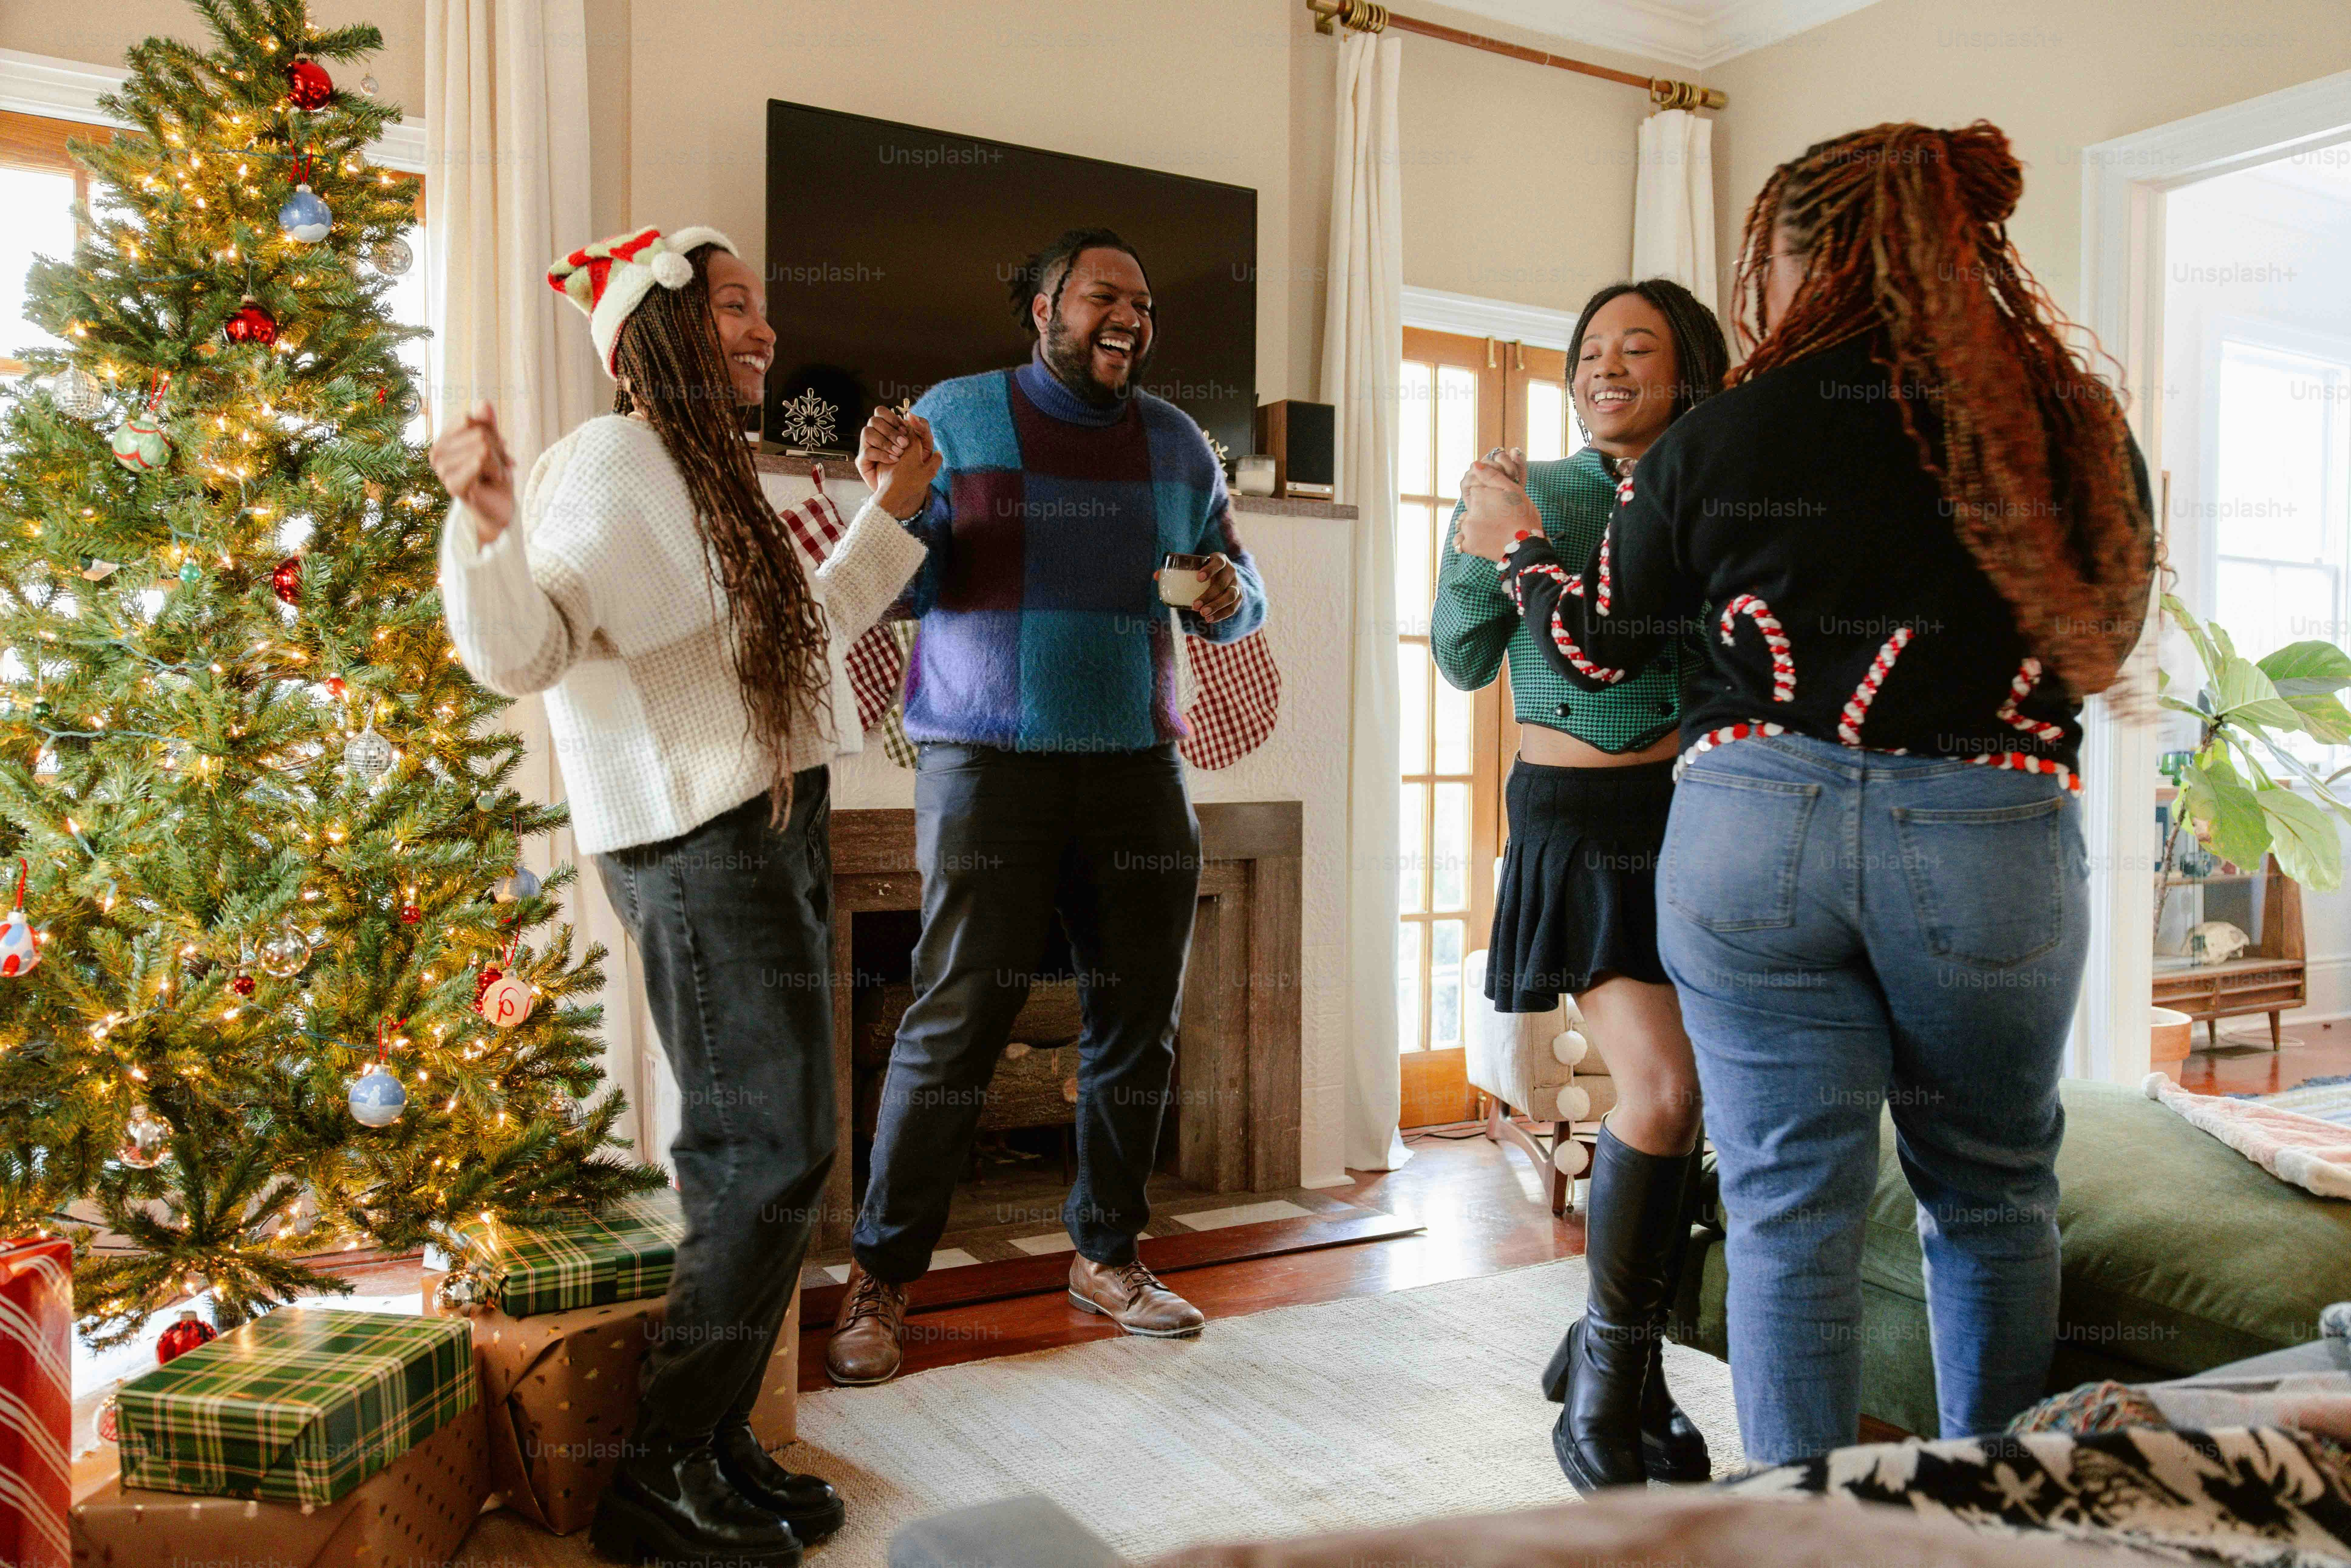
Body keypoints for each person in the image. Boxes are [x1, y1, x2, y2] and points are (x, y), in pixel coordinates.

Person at [1456, 121, 2154, 1467]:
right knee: (1996, 1195)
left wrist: (1522, 549)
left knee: (1788, 1208)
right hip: (1986, 826)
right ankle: (1987, 1523)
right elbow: (2102, 639)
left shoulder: (1728, 430)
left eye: (1761, 259)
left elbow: (1599, 642)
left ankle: (1793, 1537)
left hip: (1749, 833)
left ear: (1802, 257)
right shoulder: (2061, 418)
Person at [432, 224, 933, 1565]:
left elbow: (799, 632)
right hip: (696, 840)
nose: (760, 330)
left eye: (760, 308)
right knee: (759, 1151)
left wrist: (887, 511)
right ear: (653, 331)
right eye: (728, 307)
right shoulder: (605, 465)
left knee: (793, 1143)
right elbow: (525, 646)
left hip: (765, 820)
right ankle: (657, 1466)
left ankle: (711, 1438)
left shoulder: (713, 474)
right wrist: (484, 526)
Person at [824, 226, 1267, 1387]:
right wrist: (891, 499)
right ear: (1043, 308)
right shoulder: (958, 414)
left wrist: (1227, 594)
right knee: (956, 1020)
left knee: (1138, 1022)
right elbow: (898, 587)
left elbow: (1239, 589)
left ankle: (1107, 1255)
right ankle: (882, 1280)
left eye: (1145, 302)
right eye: (1102, 296)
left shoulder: (1178, 444)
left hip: (1139, 768)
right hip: (986, 760)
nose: (1129, 316)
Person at [1432, 278, 1729, 1493]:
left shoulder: (1714, 493)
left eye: (1637, 347)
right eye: (1591, 350)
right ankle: (1606, 1371)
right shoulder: (1529, 492)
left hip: (1701, 815)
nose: (1607, 366)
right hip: (1577, 818)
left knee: (1693, 1101)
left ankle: (1624, 1361)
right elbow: (1460, 655)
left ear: (1688, 371)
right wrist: (1477, 538)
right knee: (1662, 1087)